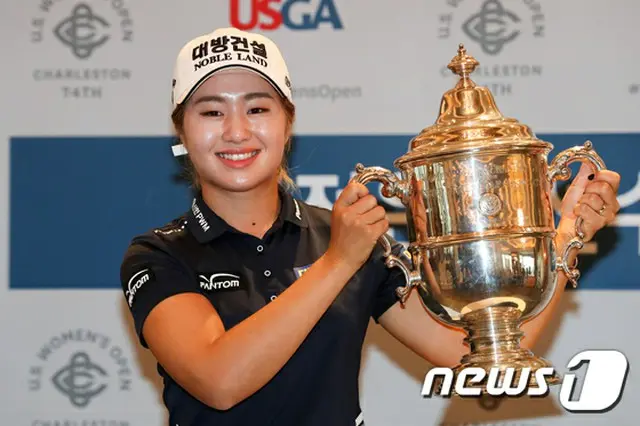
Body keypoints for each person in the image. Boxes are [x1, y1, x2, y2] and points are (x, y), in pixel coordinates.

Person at [120, 27, 621, 426]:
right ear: (182, 130)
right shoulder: (159, 255)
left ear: (287, 124)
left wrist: (566, 237)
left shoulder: (347, 235)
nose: (236, 131)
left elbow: (475, 358)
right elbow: (219, 382)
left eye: (257, 108)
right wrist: (339, 261)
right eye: (211, 111)